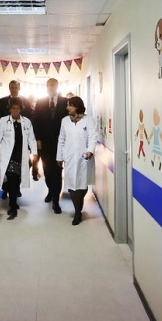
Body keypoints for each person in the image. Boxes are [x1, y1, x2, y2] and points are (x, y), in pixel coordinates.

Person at [0, 98, 39, 220]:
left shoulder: (26, 122)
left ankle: (13, 200)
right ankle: (12, 207)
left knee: (16, 180)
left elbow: (31, 138)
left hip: (21, 155)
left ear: (21, 109)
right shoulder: (3, 121)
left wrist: (34, 153)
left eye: (17, 108)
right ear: (10, 109)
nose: (15, 111)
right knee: (11, 179)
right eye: (13, 108)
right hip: (9, 155)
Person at [56, 96, 99, 225]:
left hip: (84, 157)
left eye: (70, 105)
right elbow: (61, 139)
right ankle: (77, 212)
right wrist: (59, 157)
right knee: (71, 185)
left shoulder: (88, 120)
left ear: (77, 106)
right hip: (69, 156)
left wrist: (90, 150)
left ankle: (78, 205)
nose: (67, 108)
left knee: (82, 184)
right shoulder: (65, 121)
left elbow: (93, 136)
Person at [32, 78, 68, 213]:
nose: (51, 87)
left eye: (53, 85)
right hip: (45, 143)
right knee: (47, 170)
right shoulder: (40, 102)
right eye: (49, 85)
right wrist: (37, 139)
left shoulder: (65, 102)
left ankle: (56, 201)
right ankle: (50, 191)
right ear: (46, 87)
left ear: (57, 86)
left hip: (60, 143)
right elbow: (36, 121)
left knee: (57, 171)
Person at [0, 80, 34, 177]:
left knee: (21, 164)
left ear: (19, 88)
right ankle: (9, 181)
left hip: (21, 138)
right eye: (12, 87)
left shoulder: (25, 101)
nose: (14, 90)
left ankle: (18, 182)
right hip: (7, 139)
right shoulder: (3, 101)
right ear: (9, 88)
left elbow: (30, 117)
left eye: (16, 88)